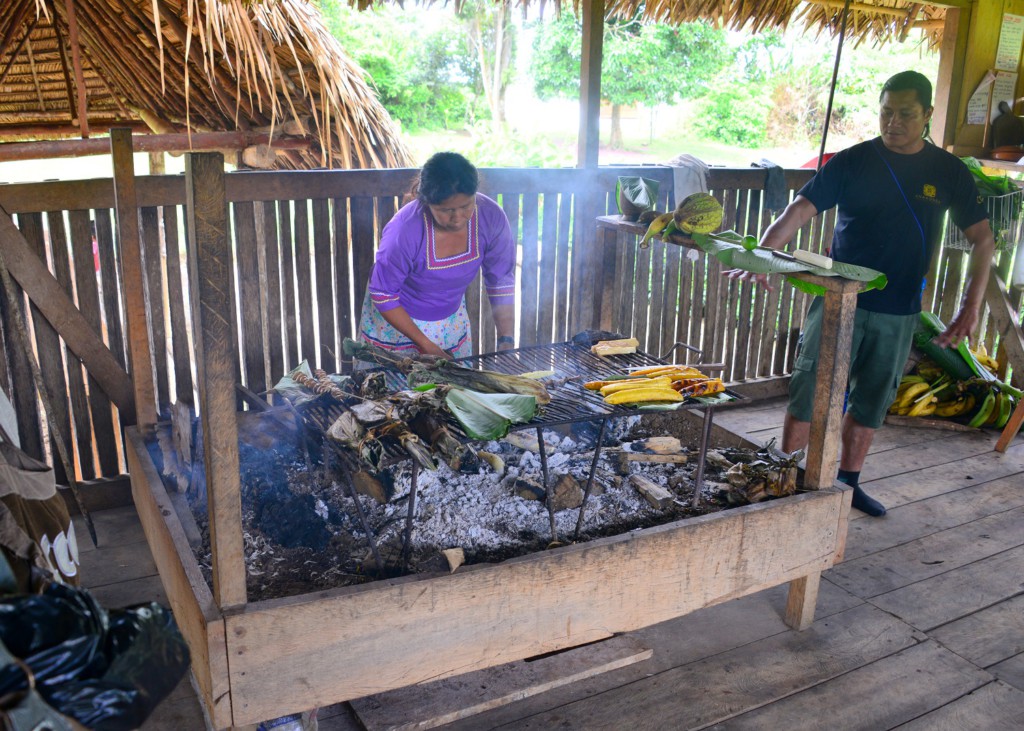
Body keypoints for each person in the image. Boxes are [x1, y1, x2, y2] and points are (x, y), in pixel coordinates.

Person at [731, 70, 994, 517]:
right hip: (838, 301)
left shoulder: (947, 172)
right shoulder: (854, 161)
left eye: (905, 114)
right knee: (809, 390)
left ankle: (848, 485)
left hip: (899, 309)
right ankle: (784, 481)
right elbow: (801, 208)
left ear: (928, 114)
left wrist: (970, 307)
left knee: (872, 401)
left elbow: (983, 239)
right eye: (886, 112)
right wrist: (763, 256)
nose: (893, 122)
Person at [358, 152, 516, 359]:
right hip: (395, 328)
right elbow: (383, 293)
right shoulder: (404, 231)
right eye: (445, 210)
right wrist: (425, 344)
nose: (457, 217)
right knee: (399, 391)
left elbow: (501, 280)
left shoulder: (491, 217)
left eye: (466, 206)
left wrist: (507, 339)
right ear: (427, 202)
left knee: (454, 389)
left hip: (450, 323)